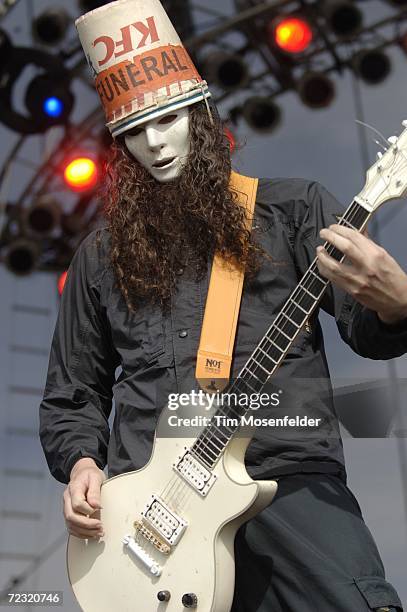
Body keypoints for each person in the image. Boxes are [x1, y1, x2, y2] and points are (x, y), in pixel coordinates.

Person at [39, 1, 407, 610]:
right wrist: (81, 464)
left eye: (168, 119)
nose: (154, 144)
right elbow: (73, 393)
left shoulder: (292, 210)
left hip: (286, 475)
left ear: (200, 115)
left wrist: (396, 305)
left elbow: (365, 330)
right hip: (151, 516)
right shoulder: (98, 258)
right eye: (134, 131)